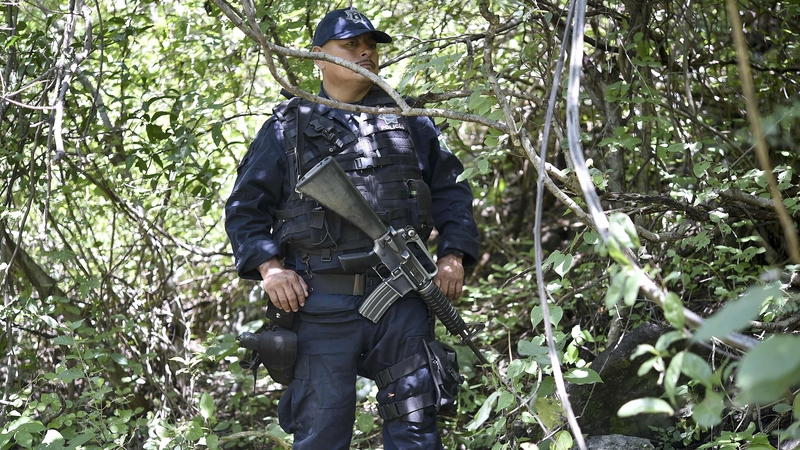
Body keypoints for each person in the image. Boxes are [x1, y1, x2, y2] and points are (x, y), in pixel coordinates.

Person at [225, 6, 480, 449]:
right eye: (351, 45)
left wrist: (452, 254)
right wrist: (271, 271)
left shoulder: (408, 120)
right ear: (318, 57)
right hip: (321, 301)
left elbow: (451, 191)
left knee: (416, 429)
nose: (366, 53)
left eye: (371, 46)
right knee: (321, 432)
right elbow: (245, 207)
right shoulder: (289, 127)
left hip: (403, 298)